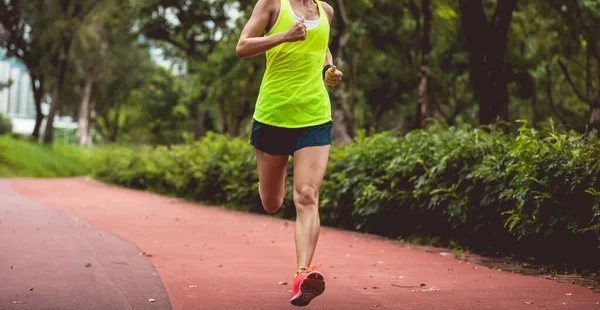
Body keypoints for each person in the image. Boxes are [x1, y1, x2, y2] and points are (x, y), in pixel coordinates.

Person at [236, 0, 343, 306]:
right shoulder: (271, 4)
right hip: (272, 117)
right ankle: (267, 184)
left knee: (307, 195)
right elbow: (242, 47)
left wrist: (328, 69)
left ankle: (302, 275)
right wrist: (283, 36)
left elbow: (323, 47)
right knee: (272, 202)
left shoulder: (327, 11)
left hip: (314, 116)